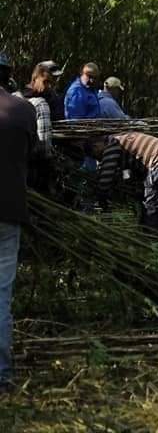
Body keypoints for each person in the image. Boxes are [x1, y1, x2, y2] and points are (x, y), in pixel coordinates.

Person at [0, 87, 36, 391]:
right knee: (0, 298)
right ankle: (1, 374)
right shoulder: (23, 110)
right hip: (9, 211)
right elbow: (36, 155)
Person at [89, 132, 158, 233]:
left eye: (96, 156)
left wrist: (100, 199)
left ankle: (151, 240)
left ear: (96, 146)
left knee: (152, 208)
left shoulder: (111, 144)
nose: (100, 159)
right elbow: (131, 172)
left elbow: (105, 179)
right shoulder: (123, 139)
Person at [15, 64, 56, 191]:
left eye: (51, 83)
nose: (49, 87)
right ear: (35, 78)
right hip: (31, 168)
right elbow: (44, 147)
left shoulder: (13, 97)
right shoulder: (40, 104)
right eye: (46, 82)